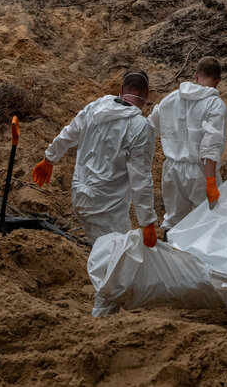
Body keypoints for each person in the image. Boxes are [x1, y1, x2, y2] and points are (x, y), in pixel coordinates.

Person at [32, 70, 158, 315]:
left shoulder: (96, 108)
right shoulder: (139, 127)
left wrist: (49, 159)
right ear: (147, 95)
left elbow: (69, 133)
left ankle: (106, 305)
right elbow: (141, 179)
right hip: (106, 206)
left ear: (121, 89)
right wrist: (147, 222)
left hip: (80, 195)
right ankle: (102, 318)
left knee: (105, 252)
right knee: (114, 260)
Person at [148, 57, 227, 231]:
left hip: (172, 169)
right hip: (200, 171)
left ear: (196, 75)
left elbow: (149, 127)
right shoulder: (215, 105)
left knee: (174, 219)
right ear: (218, 80)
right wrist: (210, 182)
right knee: (207, 221)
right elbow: (211, 146)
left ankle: (170, 246)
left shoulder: (172, 98)